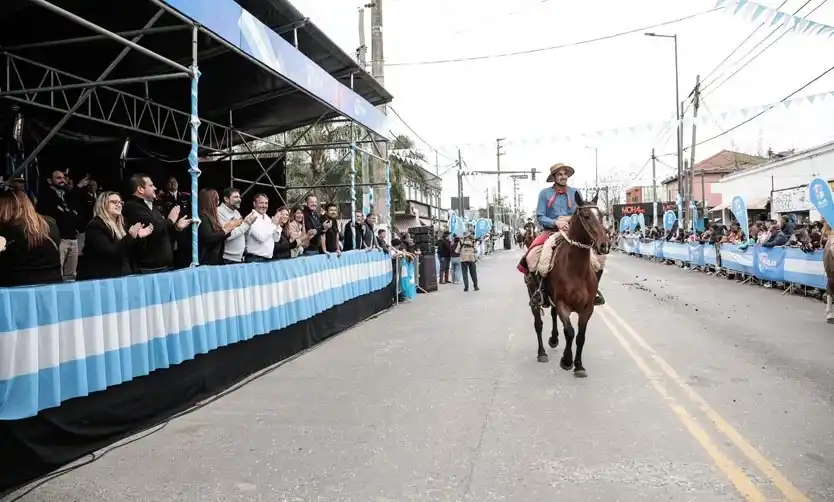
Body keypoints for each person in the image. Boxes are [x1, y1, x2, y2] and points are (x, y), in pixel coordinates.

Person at [519, 162, 604, 306]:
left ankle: (593, 291)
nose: (563, 177)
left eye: (565, 174)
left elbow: (582, 213)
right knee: (532, 257)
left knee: (599, 261)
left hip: (572, 232)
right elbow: (540, 216)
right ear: (554, 177)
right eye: (560, 174)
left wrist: (570, 221)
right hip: (551, 231)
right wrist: (556, 222)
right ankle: (540, 291)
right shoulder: (544, 194)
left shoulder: (575, 192)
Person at [77, 191, 153, 280]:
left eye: (120, 202)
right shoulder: (96, 226)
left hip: (126, 277)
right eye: (114, 202)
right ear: (103, 205)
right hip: (104, 279)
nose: (119, 205)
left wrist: (139, 238)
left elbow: (135, 253)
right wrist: (130, 236)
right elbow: (110, 253)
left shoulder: (124, 225)